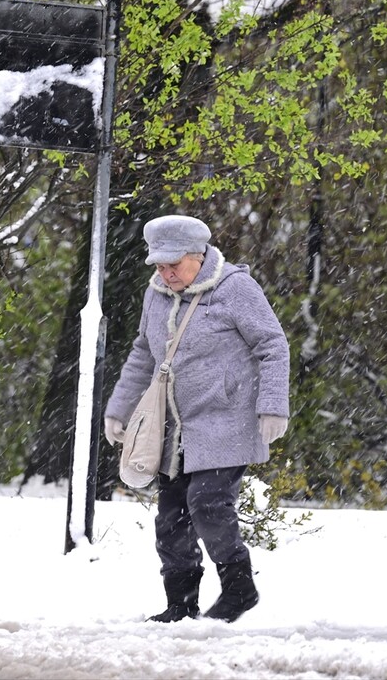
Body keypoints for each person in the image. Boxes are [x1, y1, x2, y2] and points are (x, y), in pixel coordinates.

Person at [104, 214, 290, 624]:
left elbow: (273, 345)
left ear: (198, 255)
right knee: (171, 521)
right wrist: (119, 408)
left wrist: (273, 405)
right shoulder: (156, 292)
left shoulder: (234, 288)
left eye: (173, 265)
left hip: (227, 422)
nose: (166, 273)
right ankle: (181, 604)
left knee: (207, 505)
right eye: (159, 265)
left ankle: (239, 588)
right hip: (174, 428)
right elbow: (143, 352)